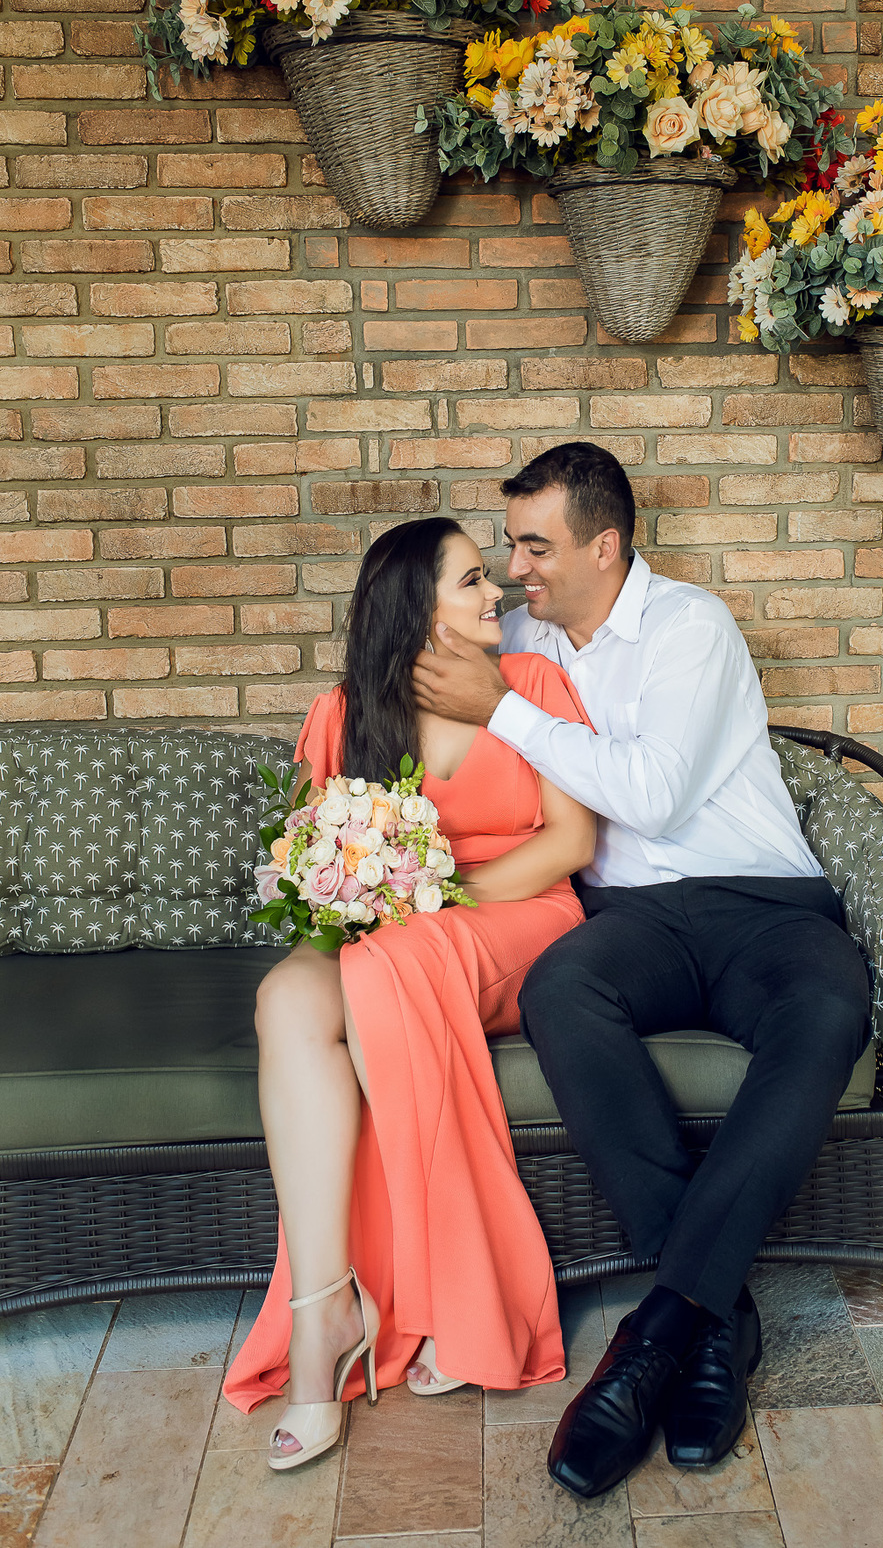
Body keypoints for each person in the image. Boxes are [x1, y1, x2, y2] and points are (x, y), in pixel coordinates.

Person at [412, 442, 873, 1500]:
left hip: (763, 904)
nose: (517, 567)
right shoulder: (517, 637)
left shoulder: (689, 627)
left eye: (537, 545)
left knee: (830, 1006)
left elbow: (655, 793)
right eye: (512, 546)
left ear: (605, 545)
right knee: (559, 988)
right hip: (634, 919)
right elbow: (420, 661)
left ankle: (655, 1337)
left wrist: (503, 711)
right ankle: (715, 1322)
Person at [223, 516, 596, 1471]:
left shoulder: (538, 688)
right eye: (472, 581)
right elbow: (314, 865)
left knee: (394, 965)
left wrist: (432, 892)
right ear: (415, 611)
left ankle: (444, 1297)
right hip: (387, 934)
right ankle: (324, 1311)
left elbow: (571, 843)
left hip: (517, 919)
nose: (495, 595)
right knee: (287, 1002)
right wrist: (363, 895)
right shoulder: (344, 713)